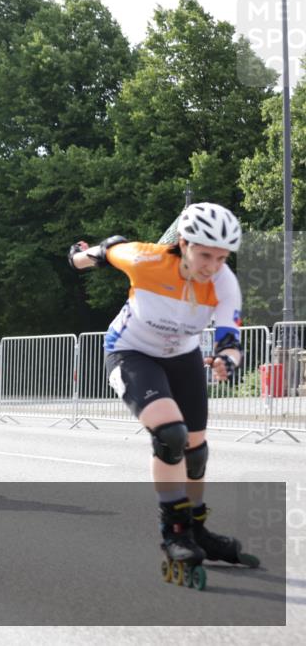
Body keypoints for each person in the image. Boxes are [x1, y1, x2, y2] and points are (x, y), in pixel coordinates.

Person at [68, 202, 256, 588]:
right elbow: (107, 250)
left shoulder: (224, 283)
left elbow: (231, 340)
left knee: (195, 450)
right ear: (183, 243)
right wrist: (77, 258)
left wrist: (227, 359)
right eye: (205, 254)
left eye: (222, 257)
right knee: (170, 435)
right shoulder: (145, 260)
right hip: (131, 351)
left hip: (182, 357)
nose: (212, 265)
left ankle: (197, 528)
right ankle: (174, 533)